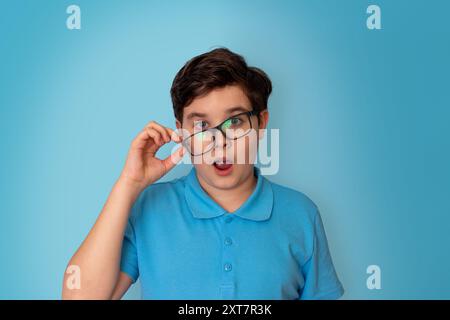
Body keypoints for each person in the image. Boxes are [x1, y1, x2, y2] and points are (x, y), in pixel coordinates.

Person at [62, 47, 344, 300]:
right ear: (181, 132)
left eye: (234, 121)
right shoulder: (150, 208)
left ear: (261, 123)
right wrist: (129, 184)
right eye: (201, 125)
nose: (219, 141)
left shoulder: (301, 214)